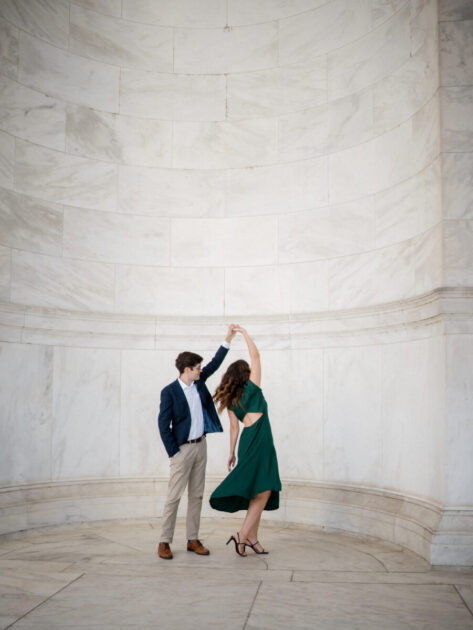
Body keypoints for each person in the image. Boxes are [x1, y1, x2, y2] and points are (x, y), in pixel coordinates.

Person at [157, 325, 236, 560]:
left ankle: (192, 539)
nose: (201, 371)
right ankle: (164, 541)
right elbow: (163, 425)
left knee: (197, 495)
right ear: (186, 370)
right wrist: (174, 452)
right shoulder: (169, 392)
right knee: (174, 496)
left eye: (201, 368)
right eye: (197, 369)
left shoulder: (199, 383)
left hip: (201, 446)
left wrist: (228, 339)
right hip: (182, 450)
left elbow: (215, 363)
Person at [210, 326, 281, 556]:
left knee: (258, 490)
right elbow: (256, 356)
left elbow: (233, 428)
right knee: (265, 488)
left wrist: (231, 453)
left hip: (247, 442)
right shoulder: (253, 388)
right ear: (246, 375)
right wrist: (245, 333)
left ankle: (252, 538)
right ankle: (241, 535)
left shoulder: (231, 400)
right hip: (261, 441)